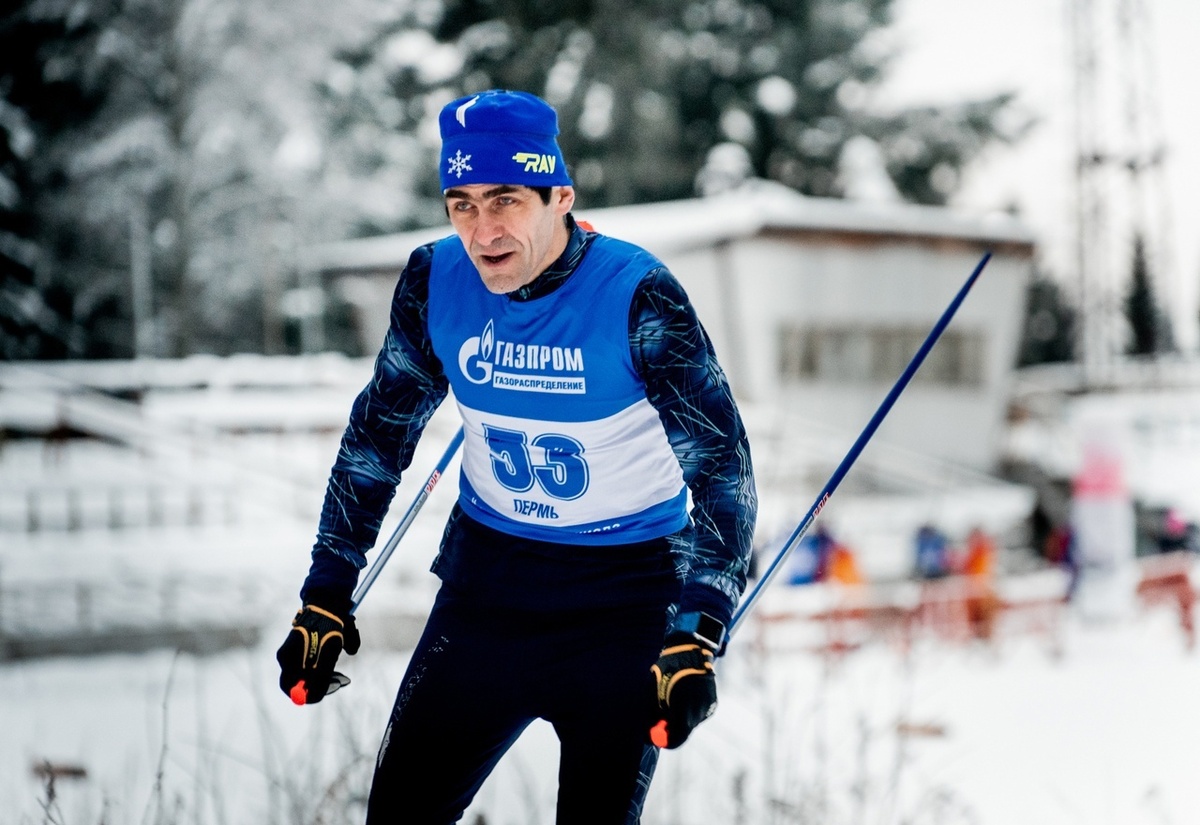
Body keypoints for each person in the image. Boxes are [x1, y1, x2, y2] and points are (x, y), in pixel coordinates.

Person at [274, 89, 757, 824]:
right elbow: (378, 435)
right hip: (487, 592)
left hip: (623, 603)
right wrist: (327, 588)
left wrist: (697, 627)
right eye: (460, 203)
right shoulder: (435, 282)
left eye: (505, 200)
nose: (483, 229)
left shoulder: (637, 294)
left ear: (559, 195)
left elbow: (721, 464)